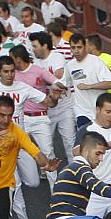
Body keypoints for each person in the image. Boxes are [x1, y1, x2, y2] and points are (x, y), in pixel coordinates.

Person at [47, 130, 111, 219]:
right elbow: (93, 183)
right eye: (98, 153)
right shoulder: (80, 167)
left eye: (102, 154)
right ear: (86, 151)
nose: (101, 159)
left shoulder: (72, 167)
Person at [11, 43, 61, 192]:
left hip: (40, 119)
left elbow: (56, 82)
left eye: (12, 59)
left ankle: (56, 193)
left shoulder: (38, 71)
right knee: (14, 151)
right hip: (21, 120)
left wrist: (57, 89)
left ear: (19, 59)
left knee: (48, 152)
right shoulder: (12, 74)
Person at [29, 30, 76, 163]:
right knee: (46, 144)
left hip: (64, 106)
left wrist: (43, 81)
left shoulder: (57, 57)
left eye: (35, 46)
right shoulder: (35, 64)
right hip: (46, 110)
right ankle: (48, 169)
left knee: (69, 141)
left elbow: (59, 78)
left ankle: (75, 173)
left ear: (44, 46)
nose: (33, 50)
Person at [64, 33, 111, 125]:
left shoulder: (96, 62)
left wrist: (89, 86)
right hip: (81, 111)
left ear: (85, 47)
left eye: (79, 47)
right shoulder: (70, 65)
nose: (76, 51)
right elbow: (65, 83)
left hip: (99, 111)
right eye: (73, 47)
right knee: (85, 137)